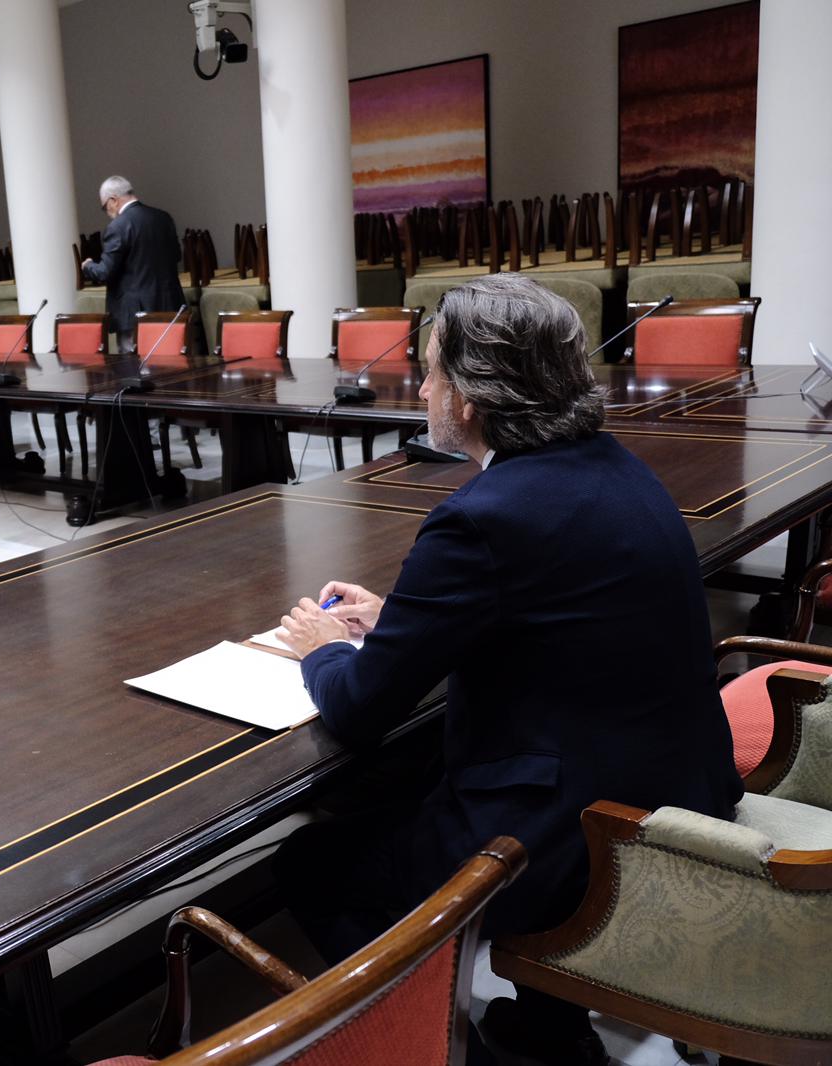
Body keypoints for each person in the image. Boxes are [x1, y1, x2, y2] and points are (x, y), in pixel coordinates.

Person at [271, 274, 742, 1066]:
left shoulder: (480, 518)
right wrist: (404, 620)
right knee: (409, 779)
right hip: (676, 798)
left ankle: (445, 1049)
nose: (422, 390)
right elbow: (557, 619)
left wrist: (322, 645)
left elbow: (357, 710)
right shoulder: (618, 467)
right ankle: (547, 1028)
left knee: (311, 864)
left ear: (469, 398)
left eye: (431, 372)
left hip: (572, 841)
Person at [79, 176, 186, 351]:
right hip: (169, 308)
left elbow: (104, 272)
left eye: (105, 207)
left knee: (133, 366)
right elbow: (176, 256)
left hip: (134, 316)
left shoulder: (118, 226)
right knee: (171, 363)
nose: (107, 212)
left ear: (113, 200)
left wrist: (88, 266)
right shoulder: (164, 218)